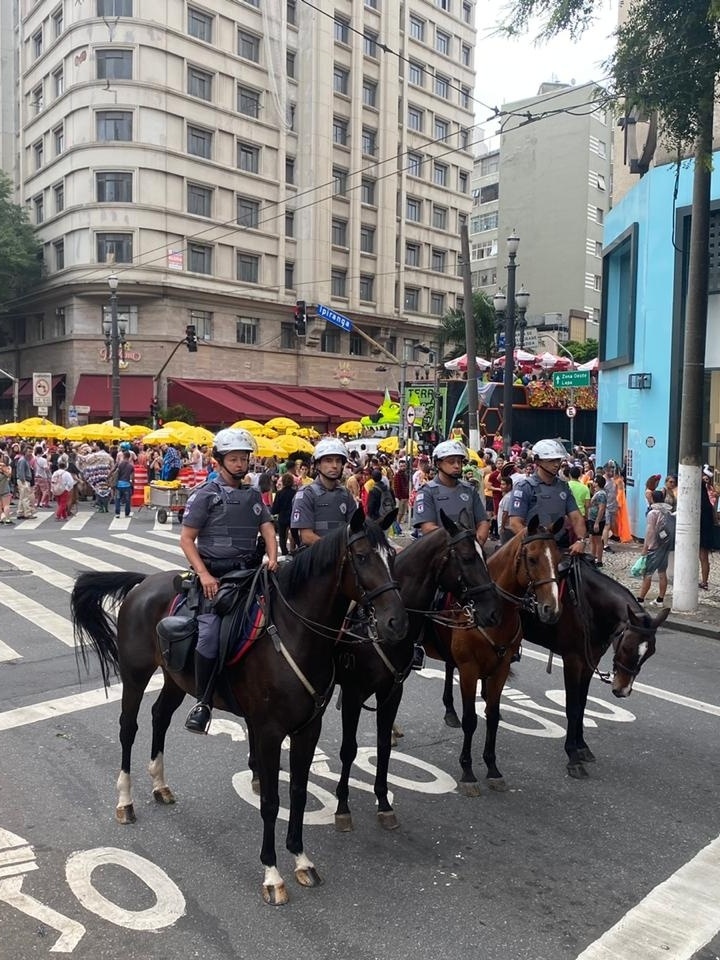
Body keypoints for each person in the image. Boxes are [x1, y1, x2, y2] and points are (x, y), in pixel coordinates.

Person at [181, 428, 278, 733]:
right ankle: (204, 701)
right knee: (210, 636)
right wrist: (204, 574)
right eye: (233, 459)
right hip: (216, 577)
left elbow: (267, 528)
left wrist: (273, 557)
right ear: (218, 462)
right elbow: (186, 540)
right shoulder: (204, 495)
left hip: (250, 573)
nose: (240, 464)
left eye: (244, 458)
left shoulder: (253, 495)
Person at [507, 438, 587, 554]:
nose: (556, 464)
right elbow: (515, 523)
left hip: (559, 545)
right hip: (532, 548)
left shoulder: (564, 487)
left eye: (558, 460)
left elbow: (576, 517)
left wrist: (581, 541)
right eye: (551, 461)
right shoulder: (524, 487)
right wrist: (534, 542)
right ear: (538, 461)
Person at [412, 440, 489, 545]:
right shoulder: (426, 492)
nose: (457, 466)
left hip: (469, 552)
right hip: (439, 553)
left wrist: (477, 543)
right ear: (438, 464)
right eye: (451, 461)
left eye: (459, 461)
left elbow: (483, 522)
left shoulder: (469, 490)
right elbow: (428, 528)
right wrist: (460, 543)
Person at [291, 438, 357, 545]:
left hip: (343, 557)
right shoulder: (306, 494)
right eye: (329, 460)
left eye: (338, 461)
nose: (335, 466)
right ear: (317, 465)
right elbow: (306, 536)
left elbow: (355, 528)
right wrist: (335, 550)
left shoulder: (346, 494)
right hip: (315, 557)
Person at [636, 490, 674, 606]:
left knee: (647, 573)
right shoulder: (667, 512)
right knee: (662, 573)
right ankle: (660, 599)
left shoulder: (652, 513)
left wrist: (646, 547)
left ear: (652, 498)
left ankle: (640, 599)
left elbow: (650, 531)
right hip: (664, 545)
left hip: (654, 546)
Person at [273, 471, 297, 556]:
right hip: (293, 517)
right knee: (295, 535)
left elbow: (275, 509)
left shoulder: (279, 493)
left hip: (282, 517)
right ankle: (297, 550)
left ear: (282, 482)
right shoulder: (295, 493)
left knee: (282, 537)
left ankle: (284, 552)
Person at [699, 467, 715, 590]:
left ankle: (703, 581)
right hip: (706, 529)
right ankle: (704, 581)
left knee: (702, 556)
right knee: (704, 557)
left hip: (700, 529)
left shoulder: (700, 503)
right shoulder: (708, 505)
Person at [586, 474, 607, 565]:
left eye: (594, 481)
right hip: (592, 519)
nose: (593, 483)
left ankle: (599, 560)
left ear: (597, 483)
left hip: (596, 520)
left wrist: (597, 522)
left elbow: (602, 508)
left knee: (597, 540)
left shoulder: (601, 494)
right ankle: (593, 557)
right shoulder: (597, 492)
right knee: (592, 539)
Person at [50, 455, 75, 520]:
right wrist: (68, 488)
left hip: (56, 489)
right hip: (64, 489)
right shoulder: (67, 473)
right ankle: (58, 515)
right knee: (63, 503)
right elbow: (71, 482)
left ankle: (64, 516)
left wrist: (52, 489)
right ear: (65, 466)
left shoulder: (55, 473)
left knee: (60, 503)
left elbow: (52, 481)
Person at [15, 445, 37, 519]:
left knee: (22, 497)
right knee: (26, 498)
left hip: (23, 480)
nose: (30, 453)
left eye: (31, 452)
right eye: (29, 452)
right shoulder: (23, 460)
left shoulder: (24, 460)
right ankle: (27, 513)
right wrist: (24, 482)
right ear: (25, 452)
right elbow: (21, 473)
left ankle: (20, 512)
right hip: (24, 481)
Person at [114, 450, 135, 518]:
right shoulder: (131, 466)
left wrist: (109, 476)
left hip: (119, 484)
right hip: (127, 485)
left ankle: (117, 513)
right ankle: (127, 513)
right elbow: (132, 477)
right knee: (127, 500)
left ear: (123, 456)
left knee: (117, 499)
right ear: (129, 457)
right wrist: (132, 483)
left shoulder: (120, 464)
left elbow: (115, 472)